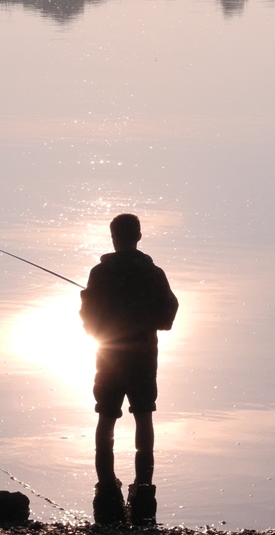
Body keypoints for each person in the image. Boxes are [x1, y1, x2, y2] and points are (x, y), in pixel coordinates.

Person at [79, 213, 178, 525]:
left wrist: (102, 324)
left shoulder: (99, 273)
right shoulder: (153, 273)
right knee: (143, 416)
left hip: (108, 356)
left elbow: (88, 319)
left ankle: (106, 488)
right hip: (143, 357)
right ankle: (143, 490)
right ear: (138, 236)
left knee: (106, 416)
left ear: (113, 237)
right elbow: (169, 313)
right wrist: (144, 319)